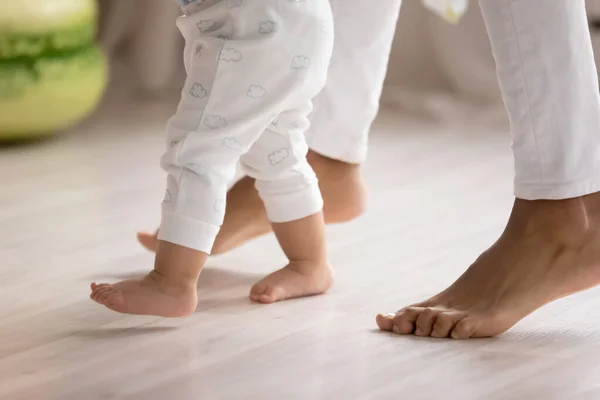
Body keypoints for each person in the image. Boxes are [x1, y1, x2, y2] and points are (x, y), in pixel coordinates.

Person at [90, 0, 339, 316]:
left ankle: (171, 283)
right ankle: (310, 264)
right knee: (277, 149)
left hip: (248, 27)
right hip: (302, 21)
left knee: (198, 151)